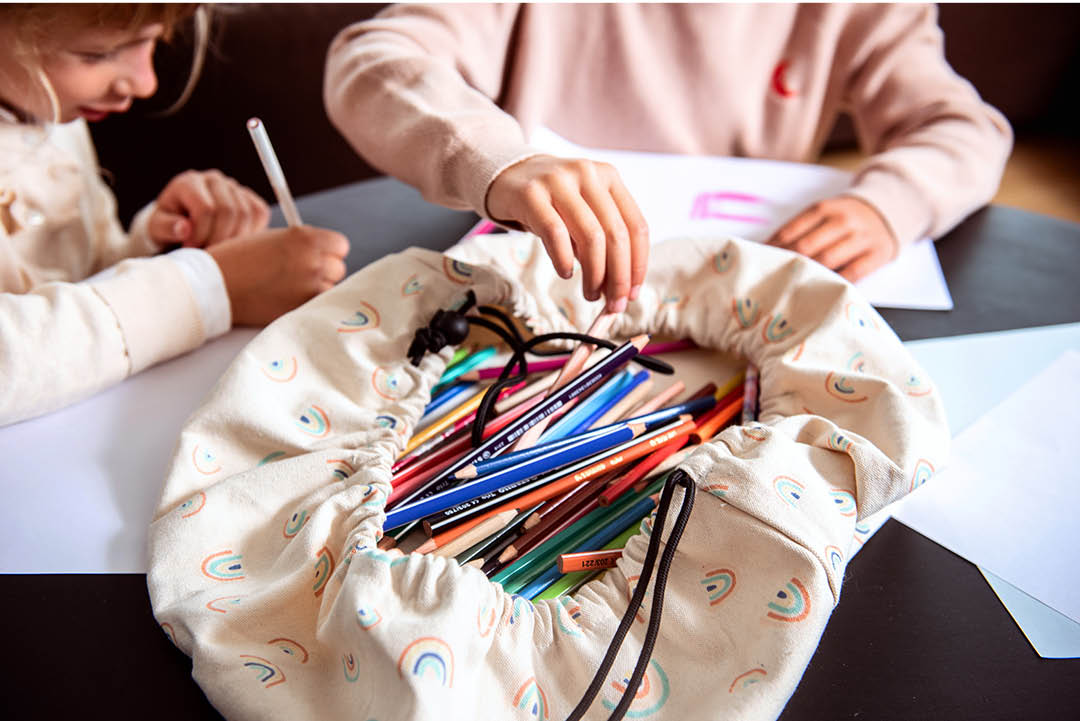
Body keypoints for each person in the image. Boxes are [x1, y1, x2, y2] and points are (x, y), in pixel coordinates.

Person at [324, 3, 1012, 312]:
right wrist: (501, 160)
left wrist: (885, 204)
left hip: (740, 308)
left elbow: (965, 127)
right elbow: (373, 60)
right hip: (543, 295)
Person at [0, 4, 350, 426]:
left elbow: (73, 281)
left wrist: (157, 243)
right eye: (97, 54)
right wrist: (207, 286)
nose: (146, 82)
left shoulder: (48, 111)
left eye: (154, 41)